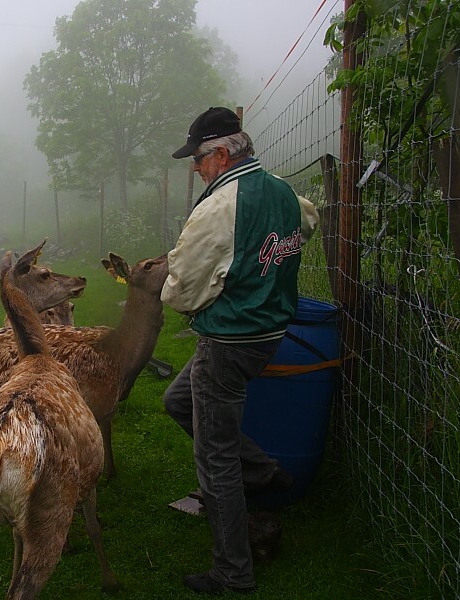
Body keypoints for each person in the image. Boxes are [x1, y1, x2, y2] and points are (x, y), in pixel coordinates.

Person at [161, 107, 319, 594]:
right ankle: (269, 474)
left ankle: (233, 570)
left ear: (223, 154)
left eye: (199, 159)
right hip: (269, 331)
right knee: (178, 400)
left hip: (230, 340)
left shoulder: (219, 208)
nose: (195, 168)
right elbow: (308, 222)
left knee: (216, 457)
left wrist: (211, 289)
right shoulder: (282, 193)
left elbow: (180, 289)